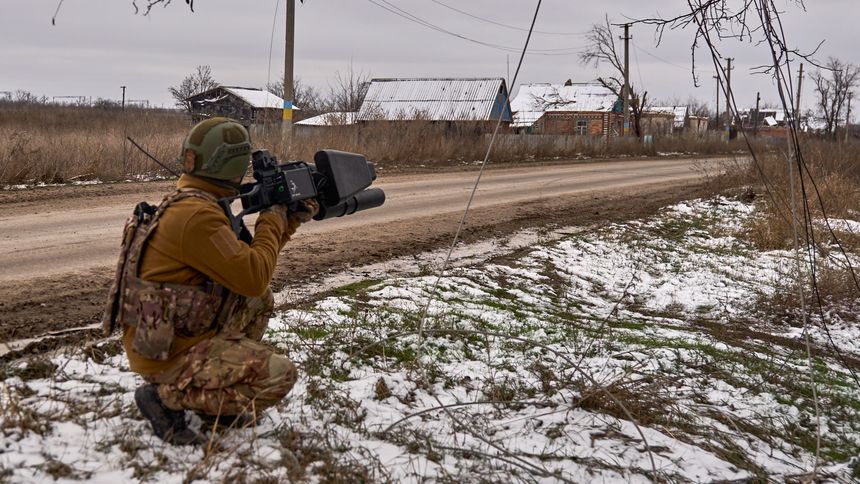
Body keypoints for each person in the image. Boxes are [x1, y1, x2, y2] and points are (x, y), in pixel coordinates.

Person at [101, 117, 318, 445]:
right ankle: (167, 397)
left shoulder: (191, 200)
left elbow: (249, 268)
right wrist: (273, 218)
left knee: (259, 300)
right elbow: (254, 275)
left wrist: (287, 223)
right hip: (168, 353)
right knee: (278, 375)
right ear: (231, 164)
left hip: (168, 335)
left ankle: (213, 395)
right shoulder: (197, 217)